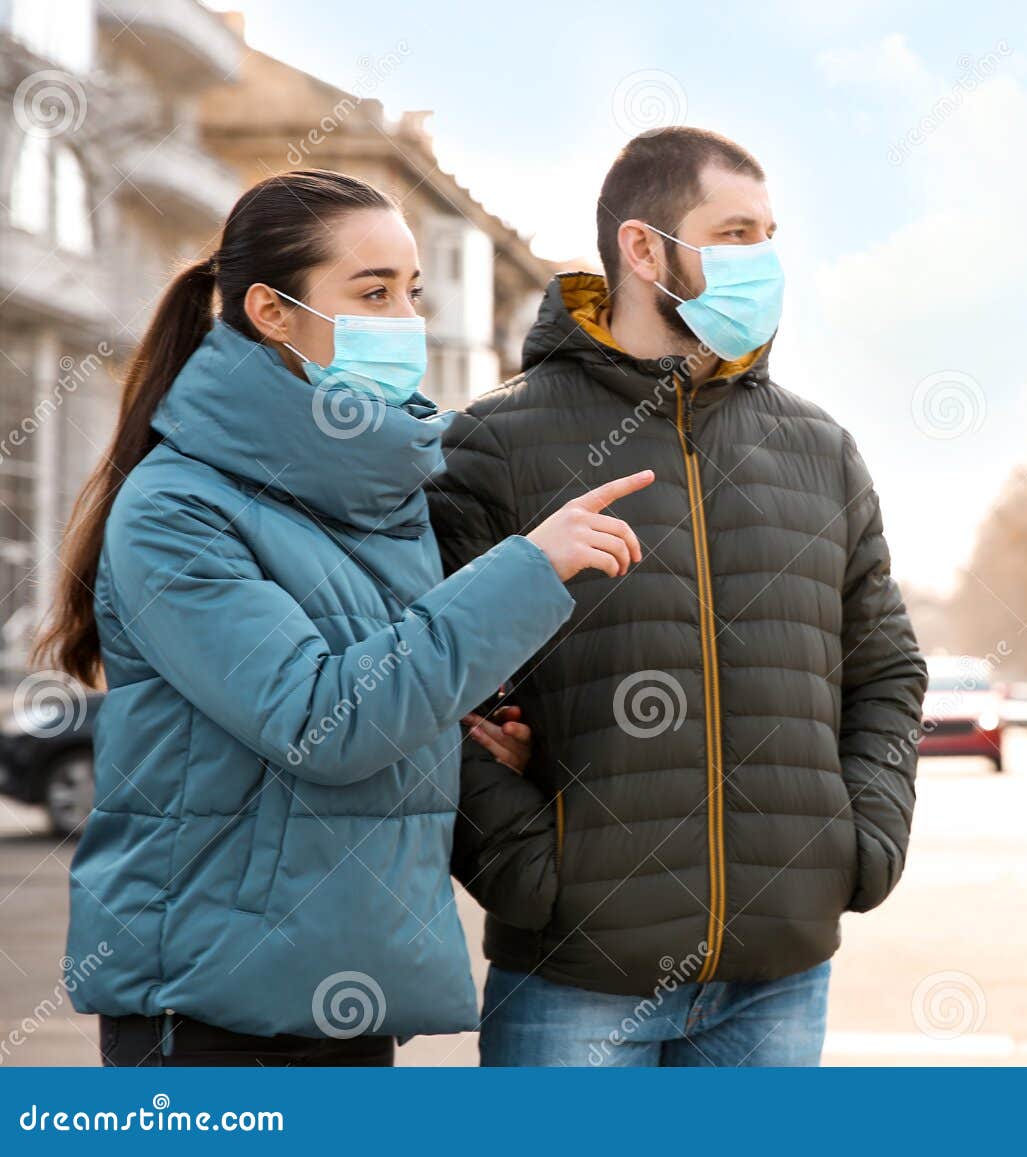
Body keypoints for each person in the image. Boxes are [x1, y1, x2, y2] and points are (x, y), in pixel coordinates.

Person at [36, 169, 653, 1066]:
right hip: (214, 1017)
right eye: (371, 292)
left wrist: (461, 728)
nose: (404, 318)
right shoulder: (178, 508)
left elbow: (387, 685)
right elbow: (325, 721)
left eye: (411, 291)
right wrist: (526, 569)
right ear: (272, 311)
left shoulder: (369, 491)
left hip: (347, 991)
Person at [427, 127, 928, 1066]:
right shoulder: (492, 441)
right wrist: (532, 871)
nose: (765, 260)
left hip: (781, 971)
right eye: (736, 233)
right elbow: (427, 685)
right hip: (574, 977)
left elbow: (887, 667)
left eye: (771, 235)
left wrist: (859, 842)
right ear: (644, 247)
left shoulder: (821, 449)